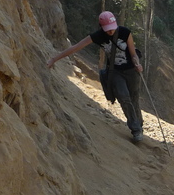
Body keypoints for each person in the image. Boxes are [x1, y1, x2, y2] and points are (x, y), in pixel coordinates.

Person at [47, 11, 145, 141]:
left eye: (112, 28)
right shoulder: (98, 36)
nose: (111, 32)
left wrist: (137, 63)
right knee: (123, 97)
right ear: (101, 27)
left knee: (134, 99)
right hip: (115, 72)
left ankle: (139, 123)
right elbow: (75, 47)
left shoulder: (125, 32)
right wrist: (54, 59)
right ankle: (136, 129)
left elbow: (133, 53)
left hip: (131, 71)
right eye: (108, 30)